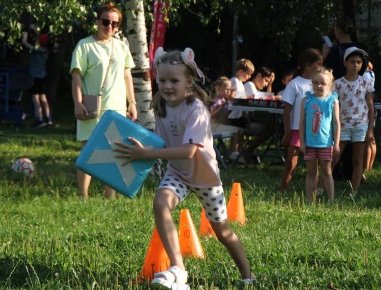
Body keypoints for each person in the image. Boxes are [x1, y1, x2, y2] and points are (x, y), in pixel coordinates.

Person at [114, 48, 256, 289]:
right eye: (162, 80)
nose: (167, 86)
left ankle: (248, 276)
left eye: (174, 81)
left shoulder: (196, 109)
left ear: (189, 81)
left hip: (205, 177)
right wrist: (134, 143)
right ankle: (179, 270)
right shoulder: (161, 106)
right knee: (160, 204)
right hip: (178, 173)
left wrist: (147, 154)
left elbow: (189, 150)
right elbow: (160, 140)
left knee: (222, 232)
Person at [70, 2, 137, 199]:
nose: (109, 27)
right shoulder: (84, 45)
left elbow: (127, 76)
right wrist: (78, 103)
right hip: (92, 108)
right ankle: (83, 197)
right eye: (105, 22)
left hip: (116, 108)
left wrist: (132, 103)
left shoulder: (121, 46)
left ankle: (111, 196)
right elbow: (76, 78)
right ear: (97, 21)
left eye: (114, 24)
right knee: (88, 153)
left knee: (115, 153)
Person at [279, 48, 323, 191]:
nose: (321, 67)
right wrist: (287, 132)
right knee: (291, 163)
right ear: (308, 65)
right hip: (297, 130)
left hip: (314, 130)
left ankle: (314, 193)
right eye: (319, 64)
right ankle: (282, 191)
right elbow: (287, 110)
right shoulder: (294, 84)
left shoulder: (319, 84)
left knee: (313, 165)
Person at [333, 47, 374, 197]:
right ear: (345, 63)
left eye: (359, 62)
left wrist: (370, 129)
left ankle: (354, 191)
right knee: (334, 157)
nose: (356, 65)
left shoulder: (365, 82)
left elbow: (370, 106)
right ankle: (322, 187)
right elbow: (332, 104)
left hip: (361, 125)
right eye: (352, 61)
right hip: (342, 124)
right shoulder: (337, 83)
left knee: (357, 159)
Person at [299, 67, 340, 203]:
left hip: (326, 144)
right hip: (310, 143)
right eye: (315, 82)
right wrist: (302, 142)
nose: (319, 85)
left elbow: (336, 123)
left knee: (327, 172)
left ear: (330, 85)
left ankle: (331, 200)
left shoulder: (332, 101)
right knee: (311, 172)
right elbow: (302, 123)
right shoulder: (306, 100)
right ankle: (310, 201)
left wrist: (337, 143)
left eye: (322, 83)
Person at [209, 76, 244, 161]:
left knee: (241, 130)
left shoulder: (224, 100)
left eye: (230, 89)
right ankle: (234, 154)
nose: (229, 92)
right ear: (219, 89)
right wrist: (220, 108)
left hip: (222, 125)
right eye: (226, 89)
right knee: (236, 130)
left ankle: (235, 152)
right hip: (215, 126)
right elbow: (211, 115)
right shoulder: (217, 101)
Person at [24, 33, 53, 128]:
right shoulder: (46, 50)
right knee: (43, 98)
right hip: (43, 76)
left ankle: (39, 119)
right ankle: (48, 119)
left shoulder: (38, 50)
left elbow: (24, 42)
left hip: (36, 77)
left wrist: (25, 33)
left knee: (35, 99)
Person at [227, 58, 254, 129]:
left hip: (239, 114)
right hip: (233, 116)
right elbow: (230, 97)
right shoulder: (234, 81)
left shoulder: (240, 82)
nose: (250, 77)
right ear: (241, 72)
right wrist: (242, 100)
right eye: (248, 74)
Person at [363, 61, 377, 176]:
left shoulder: (365, 75)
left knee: (368, 140)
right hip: (371, 107)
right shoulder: (371, 73)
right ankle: (369, 167)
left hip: (367, 108)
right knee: (371, 139)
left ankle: (366, 167)